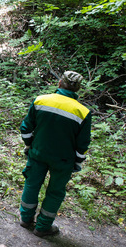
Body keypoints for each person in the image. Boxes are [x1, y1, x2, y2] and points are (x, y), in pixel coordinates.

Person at [19, 71, 92, 237]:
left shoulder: (41, 100)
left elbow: (26, 128)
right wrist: (78, 163)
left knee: (32, 184)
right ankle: (43, 227)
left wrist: (29, 145)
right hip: (64, 160)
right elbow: (83, 144)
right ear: (78, 89)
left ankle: (25, 219)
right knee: (55, 192)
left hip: (38, 153)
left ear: (59, 83)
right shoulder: (83, 112)